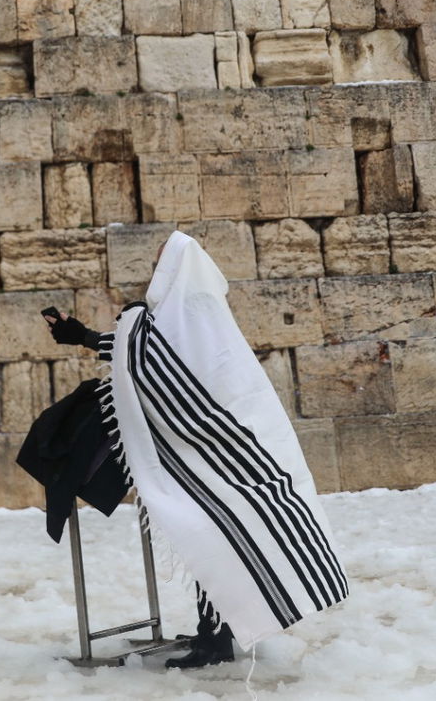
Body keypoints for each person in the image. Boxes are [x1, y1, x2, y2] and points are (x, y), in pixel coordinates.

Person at [44, 231, 348, 668]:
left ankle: (216, 640)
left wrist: (105, 331)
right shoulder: (191, 313)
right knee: (215, 537)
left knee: (216, 535)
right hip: (219, 450)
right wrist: (85, 336)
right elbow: (153, 357)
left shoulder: (189, 312)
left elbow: (156, 362)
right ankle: (214, 631)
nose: (155, 272)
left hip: (216, 452)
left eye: (159, 263)